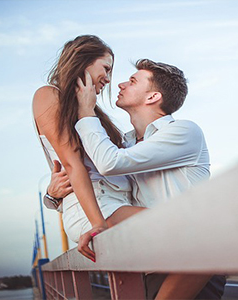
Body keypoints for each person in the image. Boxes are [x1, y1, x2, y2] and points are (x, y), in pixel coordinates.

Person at [48, 59, 226, 299]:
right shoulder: (126, 145)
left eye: (132, 81)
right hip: (150, 262)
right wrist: (54, 196)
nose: (120, 83)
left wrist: (86, 112)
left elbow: (110, 163)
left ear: (152, 97)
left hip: (193, 263)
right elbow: (104, 189)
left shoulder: (183, 132)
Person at [32, 35, 135, 256]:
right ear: (83, 60)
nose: (108, 78)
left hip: (115, 203)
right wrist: (98, 225)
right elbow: (72, 163)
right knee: (182, 227)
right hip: (95, 210)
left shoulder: (89, 110)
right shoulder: (48, 95)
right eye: (106, 68)